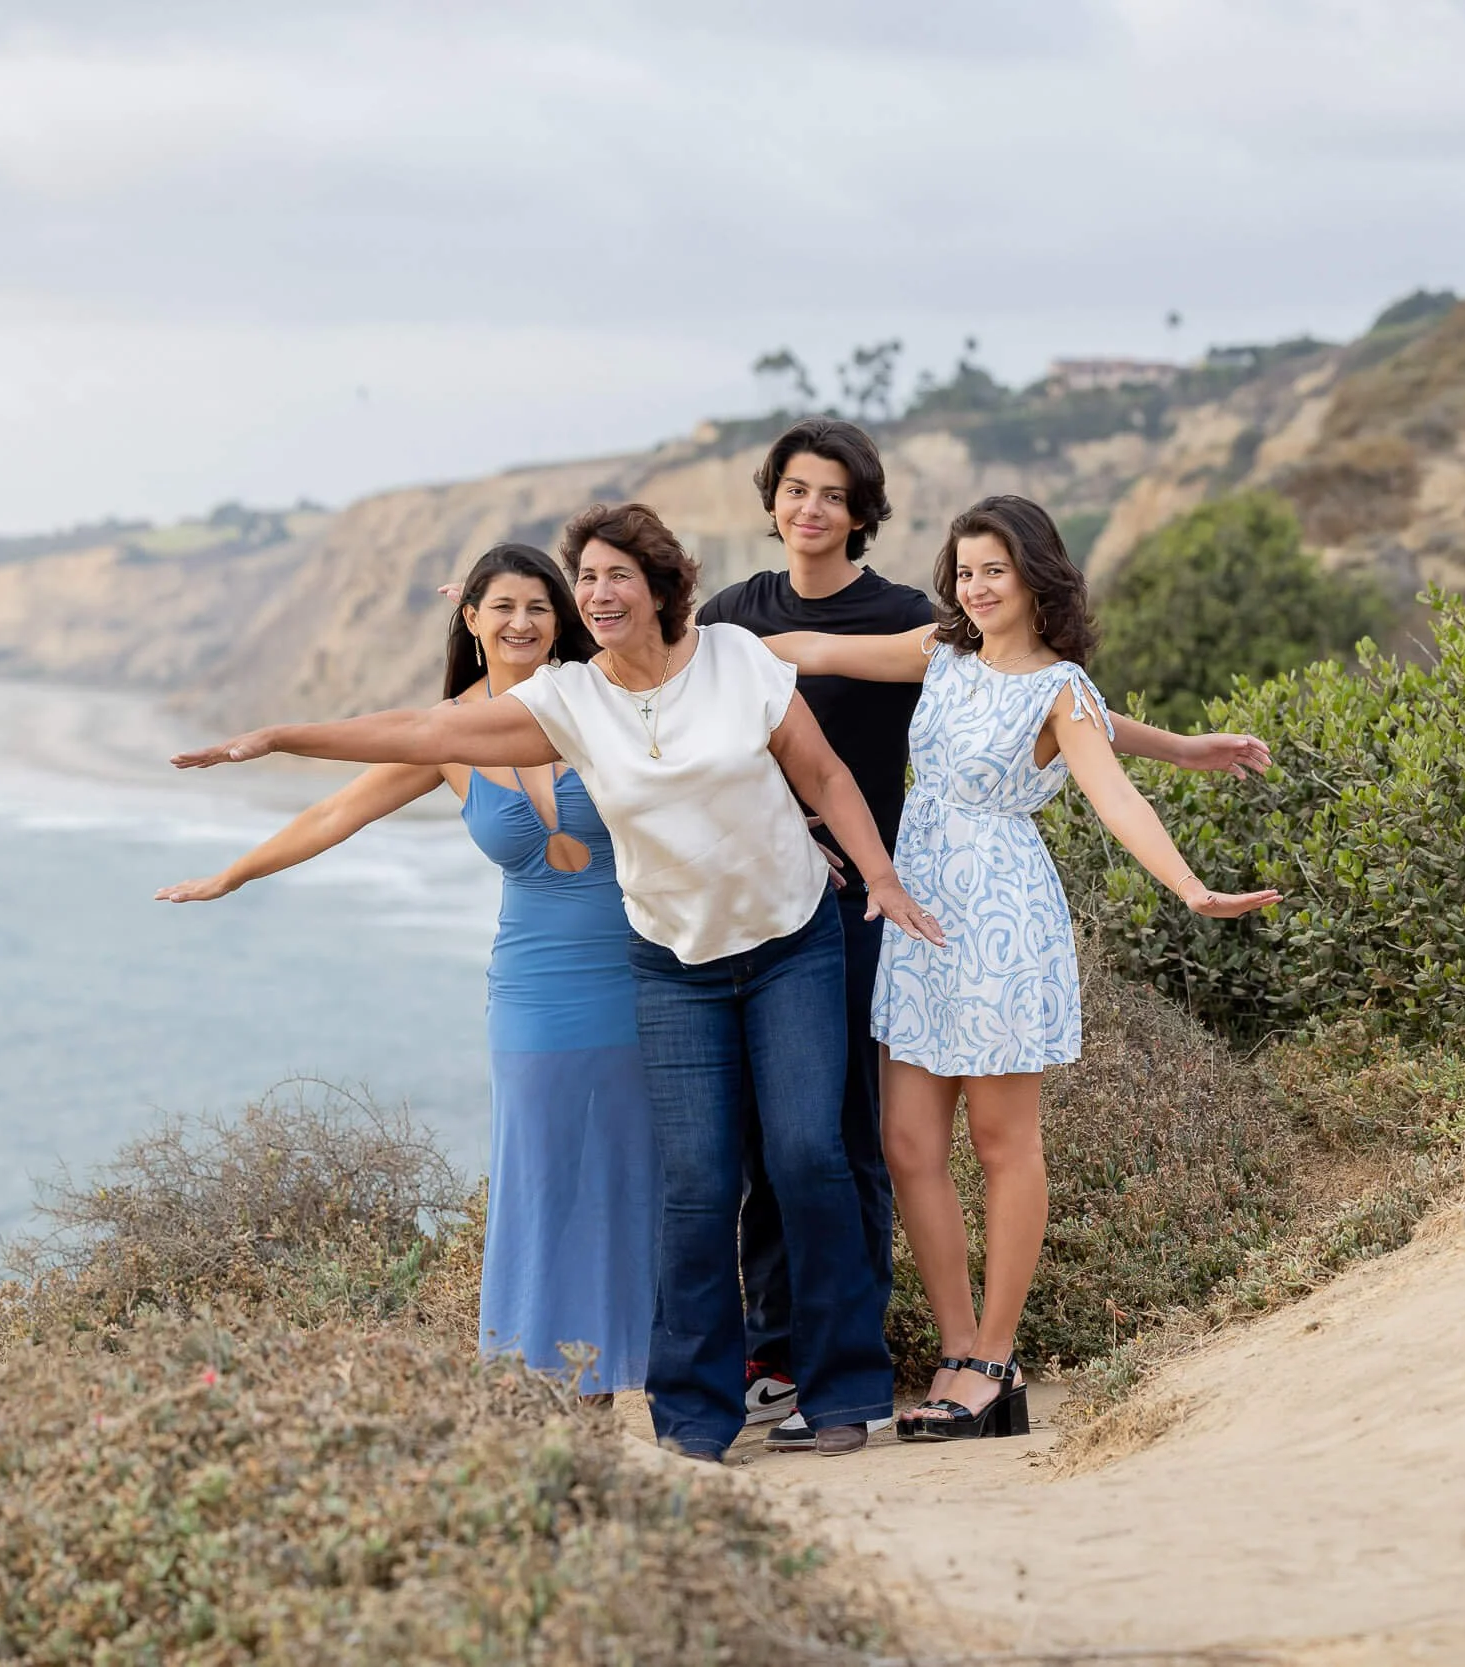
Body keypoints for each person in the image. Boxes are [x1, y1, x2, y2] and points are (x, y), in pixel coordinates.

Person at [171, 502, 943, 1460]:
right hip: (629, 971)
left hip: (731, 950)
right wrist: (273, 755)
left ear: (657, 588)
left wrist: (859, 866)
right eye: (578, 584)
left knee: (787, 1162)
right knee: (674, 1186)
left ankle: (817, 1385)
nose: (584, 599)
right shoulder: (553, 706)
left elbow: (794, 773)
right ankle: (666, 1403)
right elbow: (394, 753)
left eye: (599, 582)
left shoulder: (687, 670)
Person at [696, 417, 1274, 1447]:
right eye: (963, 569)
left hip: (1002, 919)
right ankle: (957, 1347)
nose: (974, 586)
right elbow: (805, 645)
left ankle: (991, 1357)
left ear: (1038, 577)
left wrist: (1190, 885)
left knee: (1005, 1145)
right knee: (908, 1143)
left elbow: (1111, 788)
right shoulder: (940, 651)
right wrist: (652, 651)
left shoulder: (1060, 688)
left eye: (994, 570)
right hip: (916, 910)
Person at [153, 544, 659, 1397]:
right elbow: (336, 811)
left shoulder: (603, 695)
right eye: (501, 608)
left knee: (635, 1170)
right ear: (470, 620)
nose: (522, 622)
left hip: (644, 973)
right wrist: (233, 873)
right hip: (534, 989)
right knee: (541, 1175)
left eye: (539, 606)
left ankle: (649, 1362)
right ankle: (550, 1382)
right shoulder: (450, 734)